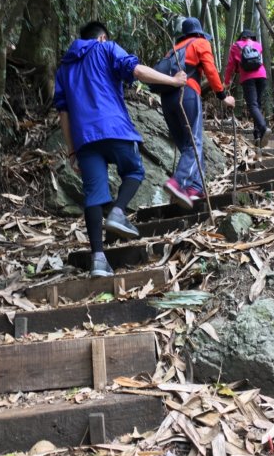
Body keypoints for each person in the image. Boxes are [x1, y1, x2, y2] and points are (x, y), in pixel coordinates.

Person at [54, 21, 187, 278]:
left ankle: (99, 260)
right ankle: (118, 211)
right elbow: (136, 71)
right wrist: (173, 80)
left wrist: (72, 152)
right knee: (135, 171)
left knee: (93, 196)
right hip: (114, 128)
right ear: (102, 38)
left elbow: (63, 112)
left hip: (85, 139)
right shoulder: (106, 49)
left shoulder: (64, 68)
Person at [160, 17, 235, 209]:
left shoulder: (173, 50)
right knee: (194, 141)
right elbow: (210, 70)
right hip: (187, 94)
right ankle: (178, 182)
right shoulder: (201, 43)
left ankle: (194, 189)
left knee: (187, 144)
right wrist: (222, 95)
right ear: (200, 33)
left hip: (167, 99)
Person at [224, 28, 271, 148]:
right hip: (262, 76)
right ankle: (257, 136)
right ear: (252, 37)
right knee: (258, 104)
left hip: (247, 78)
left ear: (241, 37)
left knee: (252, 105)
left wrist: (227, 81)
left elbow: (230, 65)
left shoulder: (236, 46)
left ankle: (263, 128)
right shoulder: (258, 45)